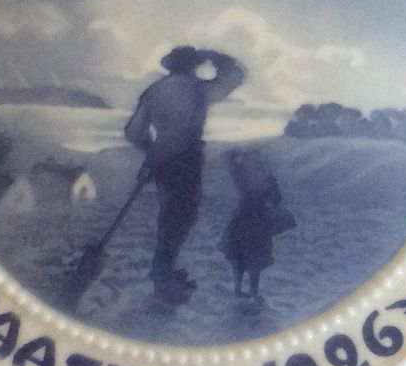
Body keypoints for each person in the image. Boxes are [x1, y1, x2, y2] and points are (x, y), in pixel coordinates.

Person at [124, 46, 246, 300]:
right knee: (182, 217)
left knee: (170, 215)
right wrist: (216, 56)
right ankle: (163, 276)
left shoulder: (154, 91)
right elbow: (235, 77)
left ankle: (164, 271)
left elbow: (133, 132)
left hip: (162, 161)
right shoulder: (197, 89)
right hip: (187, 158)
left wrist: (152, 149)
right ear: (193, 65)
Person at [219, 148, 296, 301]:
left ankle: (243, 290)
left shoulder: (251, 178)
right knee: (250, 258)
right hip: (254, 223)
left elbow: (275, 199)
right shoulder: (264, 179)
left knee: (244, 258)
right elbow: (276, 200)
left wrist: (233, 160)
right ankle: (249, 291)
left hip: (245, 222)